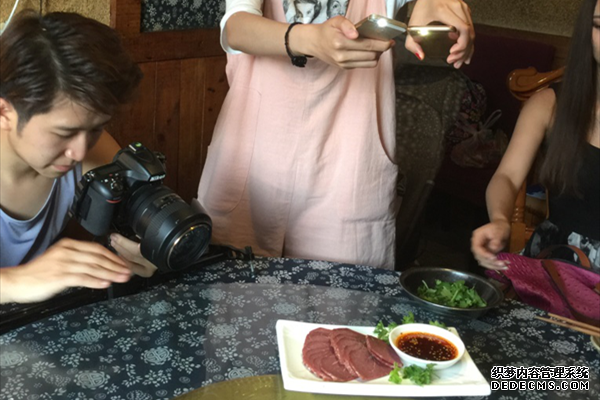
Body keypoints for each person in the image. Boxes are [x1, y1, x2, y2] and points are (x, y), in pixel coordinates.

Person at [197, 0, 474, 269]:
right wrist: (311, 39)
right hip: (252, 169)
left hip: (348, 173)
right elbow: (236, 28)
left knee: (343, 296)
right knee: (235, 291)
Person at [0, 11, 157, 304]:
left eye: (96, 128)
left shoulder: (83, 147)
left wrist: (148, 248)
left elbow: (141, 204)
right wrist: (14, 281)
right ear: (4, 112)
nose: (80, 153)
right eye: (64, 133)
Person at [471, 0, 600, 272]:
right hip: (556, 262)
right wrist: (500, 219)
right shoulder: (549, 104)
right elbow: (507, 177)